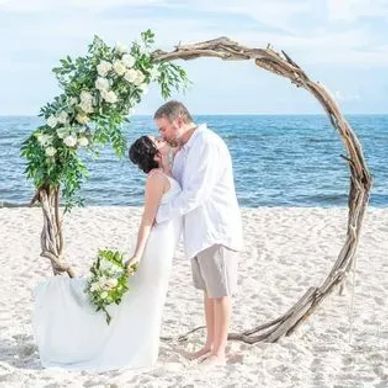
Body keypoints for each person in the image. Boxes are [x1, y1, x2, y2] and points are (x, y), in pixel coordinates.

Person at [32, 135, 183, 372]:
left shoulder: (166, 171)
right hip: (157, 245)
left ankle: (142, 347)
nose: (161, 138)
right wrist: (137, 254)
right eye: (157, 139)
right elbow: (147, 220)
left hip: (168, 242)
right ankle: (136, 351)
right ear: (154, 153)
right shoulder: (156, 178)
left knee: (151, 296)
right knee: (147, 296)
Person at [154, 100, 244, 366]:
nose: (163, 135)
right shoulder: (183, 151)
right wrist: (164, 164)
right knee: (208, 291)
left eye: (164, 129)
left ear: (179, 121)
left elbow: (196, 194)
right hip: (197, 232)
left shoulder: (207, 143)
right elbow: (179, 186)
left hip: (215, 228)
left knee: (220, 292)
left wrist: (160, 215)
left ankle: (220, 351)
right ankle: (209, 345)